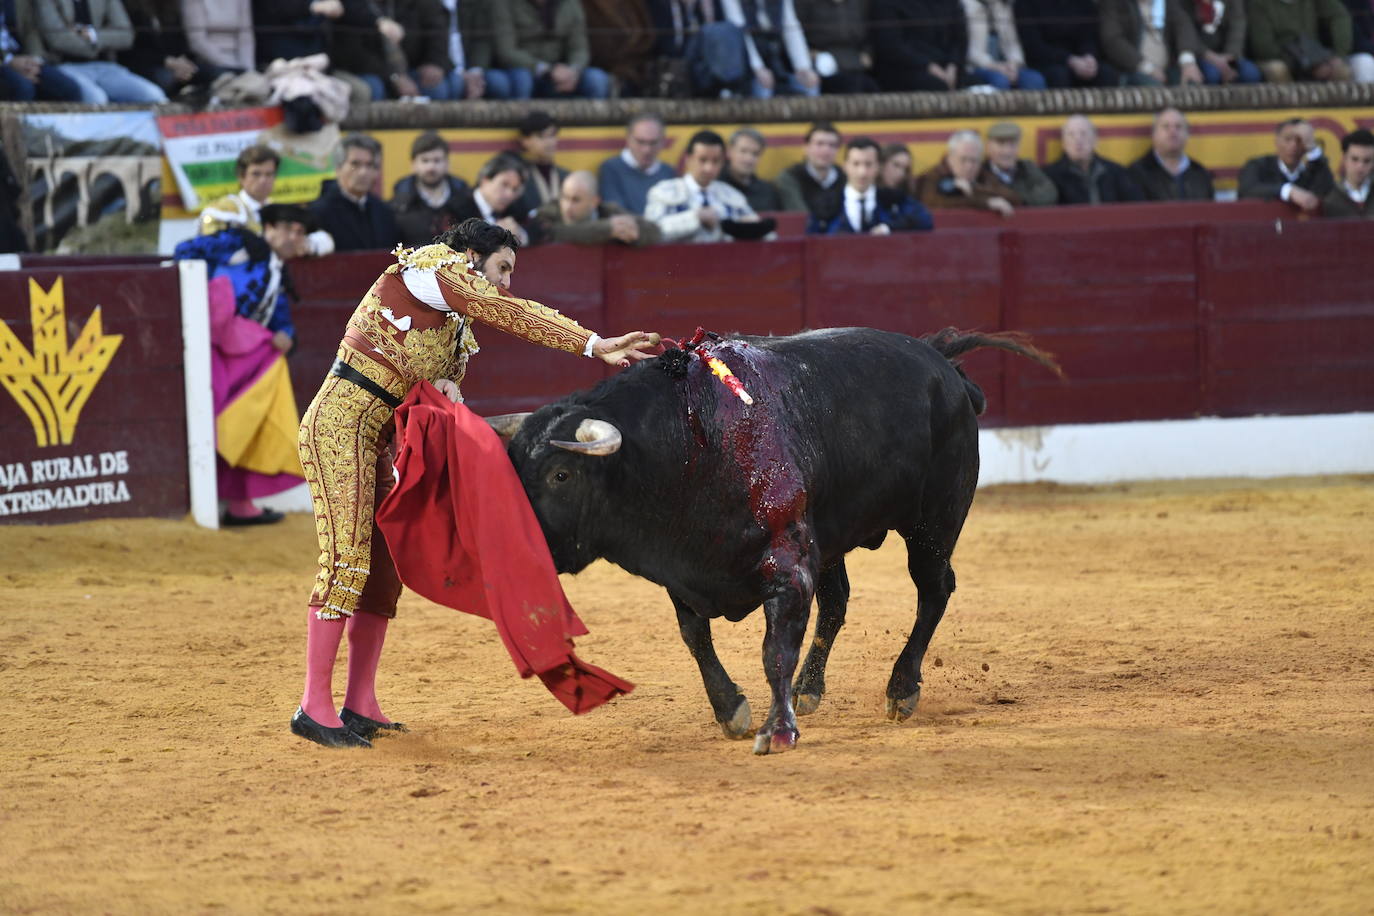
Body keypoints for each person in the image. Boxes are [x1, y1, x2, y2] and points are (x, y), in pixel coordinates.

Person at [290, 217, 656, 748]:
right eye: (501, 267)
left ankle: (359, 702)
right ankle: (312, 706)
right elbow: (505, 310)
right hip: (340, 427)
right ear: (468, 254)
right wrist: (593, 345)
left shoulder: (455, 330)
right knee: (346, 560)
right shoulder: (432, 270)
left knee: (381, 572)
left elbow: (444, 398)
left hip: (385, 441)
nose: (505, 282)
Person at [174, 205, 315, 526]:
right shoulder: (240, 243)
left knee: (245, 418)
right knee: (219, 416)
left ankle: (240, 501)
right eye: (287, 229)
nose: (293, 238)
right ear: (267, 228)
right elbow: (185, 253)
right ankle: (216, 500)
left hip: (240, 352)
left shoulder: (277, 270)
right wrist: (231, 243)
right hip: (207, 346)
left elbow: (281, 319)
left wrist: (286, 335)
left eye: (299, 233)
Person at [36, 0, 169, 103]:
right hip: (64, 66)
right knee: (96, 99)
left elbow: (126, 35)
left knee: (155, 96)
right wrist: (96, 45)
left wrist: (93, 36)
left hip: (106, 67)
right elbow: (57, 39)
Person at [645, 129, 759, 244]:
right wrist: (694, 217)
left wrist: (743, 228)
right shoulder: (663, 192)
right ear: (688, 159)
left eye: (716, 161)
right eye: (702, 160)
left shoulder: (733, 196)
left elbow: (763, 234)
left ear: (723, 162)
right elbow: (650, 233)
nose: (708, 168)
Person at [807, 137, 932, 234]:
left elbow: (925, 221)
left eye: (868, 164)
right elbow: (813, 239)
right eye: (856, 164)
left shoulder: (894, 199)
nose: (862, 172)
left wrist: (889, 228)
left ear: (878, 167)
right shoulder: (825, 203)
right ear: (845, 166)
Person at [491, 0, 611, 99]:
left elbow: (579, 49)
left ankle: (589, 127)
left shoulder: (570, 4)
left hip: (562, 72)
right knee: (522, 80)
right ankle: (524, 125)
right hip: (526, 70)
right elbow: (506, 51)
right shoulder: (504, 3)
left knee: (597, 79)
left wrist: (573, 71)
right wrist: (546, 70)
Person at [308, 134, 402, 252]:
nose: (363, 172)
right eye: (355, 164)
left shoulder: (385, 212)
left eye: (370, 165)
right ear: (338, 168)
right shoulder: (318, 212)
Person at [718, 0, 821, 97]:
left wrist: (803, 67)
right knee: (763, 87)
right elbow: (738, 31)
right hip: (747, 65)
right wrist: (758, 68)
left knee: (810, 85)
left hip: (777, 62)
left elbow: (792, 28)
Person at [534, 170, 662, 246]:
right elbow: (556, 232)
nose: (567, 206)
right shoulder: (549, 211)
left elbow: (654, 231)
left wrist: (634, 233)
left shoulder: (608, 210)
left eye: (576, 200)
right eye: (565, 198)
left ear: (594, 202)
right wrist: (608, 229)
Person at [390, 131, 472, 248]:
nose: (431, 167)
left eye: (437, 160)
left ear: (447, 163)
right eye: (425, 160)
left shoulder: (465, 198)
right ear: (413, 164)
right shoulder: (399, 205)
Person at [1238, 117, 1336, 214]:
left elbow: (1329, 192)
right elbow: (1247, 189)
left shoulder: (1312, 171)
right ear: (1277, 141)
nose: (1293, 145)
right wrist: (1288, 191)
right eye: (1288, 139)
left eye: (1299, 140)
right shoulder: (1259, 166)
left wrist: (1312, 148)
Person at [871, 0, 974, 91]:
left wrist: (953, 65)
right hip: (905, 70)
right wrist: (929, 66)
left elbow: (960, 39)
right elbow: (891, 46)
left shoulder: (949, 3)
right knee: (937, 86)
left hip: (948, 70)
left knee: (979, 83)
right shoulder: (887, 3)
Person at [1015, 0, 1120, 87]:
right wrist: (1069, 60)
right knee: (1059, 75)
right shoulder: (1026, 4)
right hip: (1047, 62)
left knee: (1107, 73)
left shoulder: (1083, 4)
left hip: (1080, 60)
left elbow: (1089, 37)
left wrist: (1089, 57)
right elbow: (1033, 47)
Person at [1247, 0, 1357, 83]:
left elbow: (1339, 15)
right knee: (1277, 70)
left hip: (1312, 56)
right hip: (1279, 58)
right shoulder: (1259, 3)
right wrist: (1307, 65)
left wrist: (1338, 55)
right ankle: (1289, 112)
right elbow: (1263, 49)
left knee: (1341, 70)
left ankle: (1332, 112)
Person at [1098, 0, 1204, 86]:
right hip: (1132, 70)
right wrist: (1148, 68)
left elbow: (1183, 25)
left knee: (1191, 81)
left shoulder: (1166, 2)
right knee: (1154, 88)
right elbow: (1113, 41)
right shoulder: (1113, 3)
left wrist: (1187, 62)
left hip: (1168, 69)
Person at [1043, 115, 1144, 205]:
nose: (1077, 139)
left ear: (1095, 140)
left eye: (1083, 134)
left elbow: (1136, 207)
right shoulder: (1051, 176)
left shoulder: (1115, 172)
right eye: (1071, 134)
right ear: (1063, 144)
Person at [913, 130, 1019, 215]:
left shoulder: (983, 173)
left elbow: (1012, 197)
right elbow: (933, 203)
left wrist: (972, 188)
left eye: (974, 160)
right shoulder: (933, 175)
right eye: (963, 160)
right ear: (950, 157)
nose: (969, 166)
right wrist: (983, 202)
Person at [0, 0, 84, 101]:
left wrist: (34, 59)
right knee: (23, 88)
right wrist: (8, 60)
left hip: (23, 58)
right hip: (4, 61)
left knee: (69, 89)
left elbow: (30, 29)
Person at [1128, 108, 1216, 201]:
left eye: (1178, 127)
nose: (1173, 132)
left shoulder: (1200, 174)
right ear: (1154, 134)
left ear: (1188, 134)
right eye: (1166, 126)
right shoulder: (1136, 174)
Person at [597, 113, 677, 215]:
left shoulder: (668, 172)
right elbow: (616, 213)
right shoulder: (611, 169)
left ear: (662, 141)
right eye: (640, 142)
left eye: (653, 143)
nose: (646, 150)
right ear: (628, 139)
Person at [795, 0, 879, 93]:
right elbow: (796, 38)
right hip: (822, 65)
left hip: (855, 64)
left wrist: (868, 52)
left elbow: (868, 37)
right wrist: (809, 53)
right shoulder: (806, 3)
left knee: (870, 87)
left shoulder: (859, 4)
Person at [962, 0, 1047, 89]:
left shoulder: (1003, 6)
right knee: (1000, 81)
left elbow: (1013, 44)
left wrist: (1013, 65)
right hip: (978, 67)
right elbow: (970, 52)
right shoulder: (966, 6)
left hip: (1007, 66)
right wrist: (996, 67)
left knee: (1034, 79)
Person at [453, 152, 533, 245]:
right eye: (504, 184)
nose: (510, 194)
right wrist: (493, 235)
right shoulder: (456, 208)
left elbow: (538, 231)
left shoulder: (517, 208)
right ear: (485, 180)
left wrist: (520, 234)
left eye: (515, 189)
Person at [1176, 0, 1264, 83]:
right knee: (1212, 76)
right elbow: (1185, 32)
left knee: (1250, 74)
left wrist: (1230, 56)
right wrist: (1211, 57)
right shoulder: (1184, 3)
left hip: (1229, 55)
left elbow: (1237, 24)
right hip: (1201, 55)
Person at [979, 121, 1058, 206]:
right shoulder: (979, 172)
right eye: (1001, 144)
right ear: (988, 146)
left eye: (1012, 144)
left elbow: (1050, 194)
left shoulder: (1027, 167)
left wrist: (1017, 199)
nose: (1007, 151)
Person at [776, 121, 844, 216]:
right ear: (806, 147)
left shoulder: (845, 177)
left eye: (832, 145)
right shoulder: (790, 178)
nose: (826, 150)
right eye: (819, 144)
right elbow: (799, 216)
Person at [511, 110, 569, 222]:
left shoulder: (567, 176)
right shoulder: (517, 177)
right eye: (541, 136)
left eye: (552, 135)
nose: (549, 142)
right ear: (525, 141)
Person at [182, 0, 255, 77]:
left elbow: (246, 37)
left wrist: (249, 69)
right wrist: (234, 67)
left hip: (238, 61)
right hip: (210, 63)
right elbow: (197, 42)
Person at [721, 128, 784, 213]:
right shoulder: (715, 185)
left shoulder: (768, 191)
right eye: (743, 151)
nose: (749, 159)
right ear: (729, 152)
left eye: (755, 154)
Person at [1323, 128, 1374, 218]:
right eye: (1354, 159)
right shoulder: (1329, 195)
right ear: (1344, 159)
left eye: (1367, 161)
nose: (1360, 166)